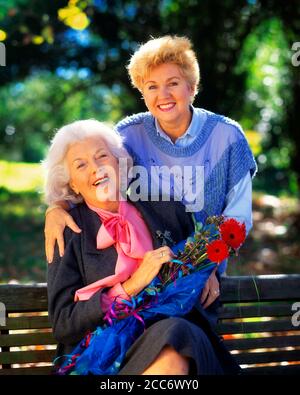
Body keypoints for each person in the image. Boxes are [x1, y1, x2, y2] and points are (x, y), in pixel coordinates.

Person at [44, 35, 257, 312]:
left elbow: (238, 221)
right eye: (152, 87)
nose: (163, 95)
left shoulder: (228, 137)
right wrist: (56, 208)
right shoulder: (128, 135)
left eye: (173, 83)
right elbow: (93, 175)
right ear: (142, 94)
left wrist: (202, 267)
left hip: (205, 280)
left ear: (192, 87)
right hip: (145, 279)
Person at [44, 119, 240, 375]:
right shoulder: (67, 230)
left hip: (180, 336)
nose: (96, 169)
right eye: (81, 165)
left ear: (118, 162)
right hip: (104, 356)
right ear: (71, 184)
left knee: (175, 337)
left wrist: (206, 267)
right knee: (172, 346)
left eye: (102, 156)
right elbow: (63, 323)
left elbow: (199, 257)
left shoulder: (167, 209)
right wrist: (130, 286)